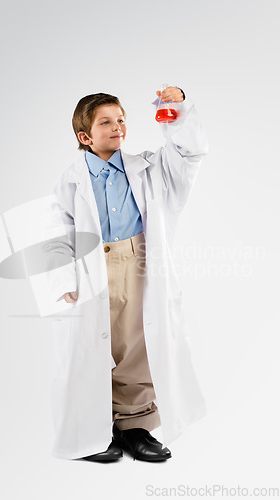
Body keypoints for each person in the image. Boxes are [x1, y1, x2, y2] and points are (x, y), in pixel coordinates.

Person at [45, 86, 208, 462]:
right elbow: (56, 232)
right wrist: (62, 281)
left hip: (136, 261)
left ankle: (135, 425)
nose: (118, 127)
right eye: (106, 122)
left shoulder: (148, 168)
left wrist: (177, 107)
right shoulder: (69, 182)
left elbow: (191, 151)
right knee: (92, 347)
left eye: (121, 119)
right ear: (85, 137)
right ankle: (91, 430)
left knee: (136, 343)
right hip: (91, 267)